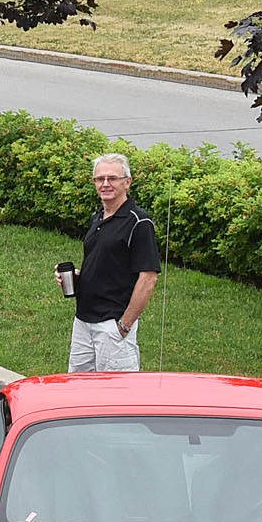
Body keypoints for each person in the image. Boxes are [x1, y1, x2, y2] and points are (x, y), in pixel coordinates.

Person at [68, 153, 161, 372]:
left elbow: (148, 278)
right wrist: (77, 277)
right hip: (83, 322)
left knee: (113, 399)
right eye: (100, 179)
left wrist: (123, 326)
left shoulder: (139, 222)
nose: (105, 184)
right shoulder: (99, 216)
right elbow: (107, 264)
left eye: (113, 178)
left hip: (112, 327)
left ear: (127, 182)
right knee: (77, 393)